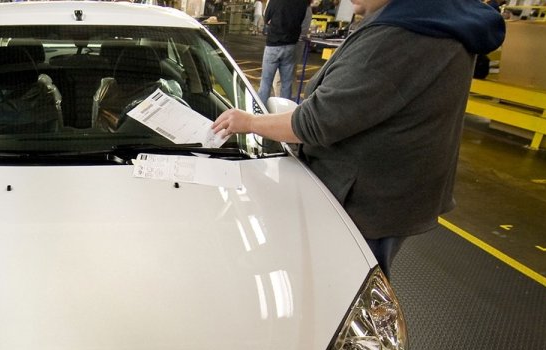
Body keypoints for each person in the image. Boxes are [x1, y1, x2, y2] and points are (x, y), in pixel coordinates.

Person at [213, 0, 504, 277]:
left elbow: (317, 120)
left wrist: (250, 122)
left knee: (344, 284)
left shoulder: (400, 36)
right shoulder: (437, 18)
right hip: (394, 192)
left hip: (368, 202)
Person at [258, 0, 312, 105]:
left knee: (266, 82)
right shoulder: (303, 3)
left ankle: (261, 109)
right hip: (291, 46)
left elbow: (266, 17)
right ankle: (284, 109)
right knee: (287, 83)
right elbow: (302, 22)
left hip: (273, 45)